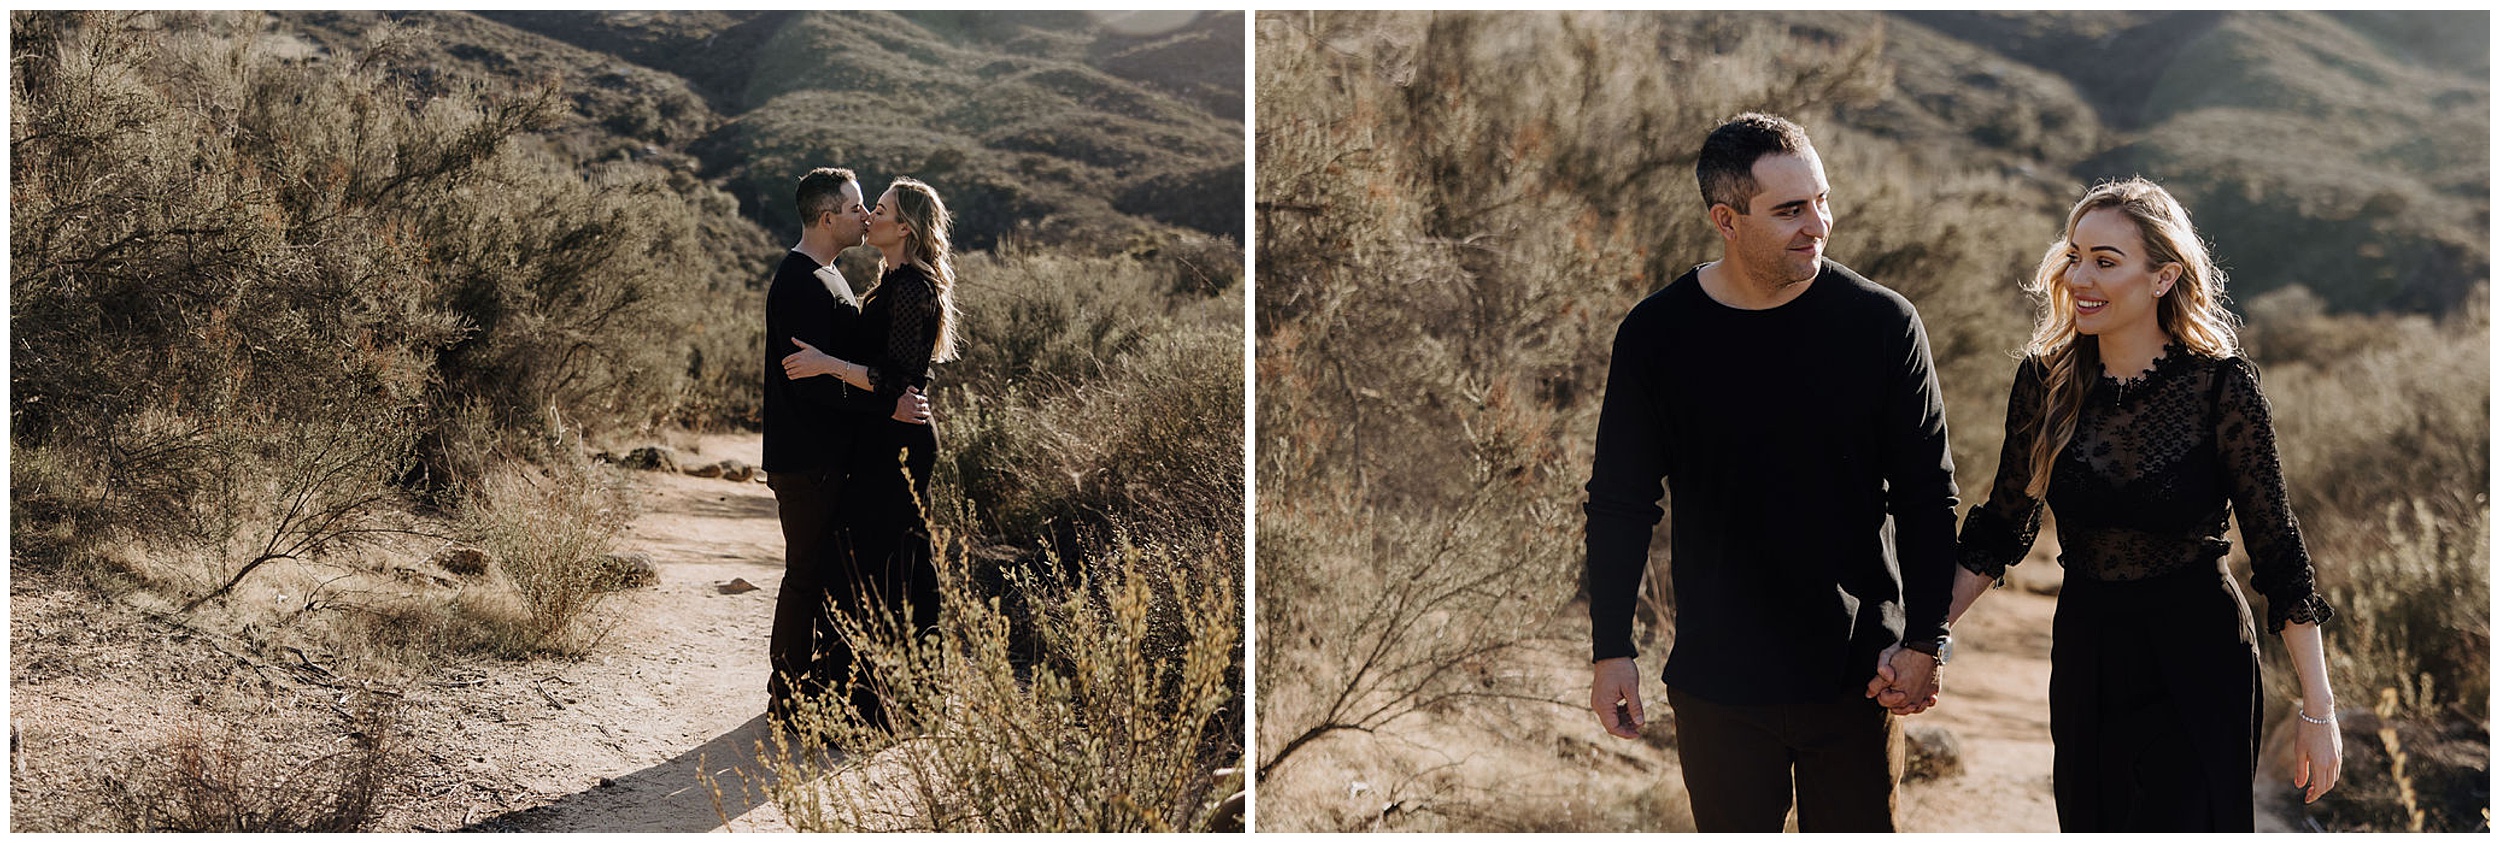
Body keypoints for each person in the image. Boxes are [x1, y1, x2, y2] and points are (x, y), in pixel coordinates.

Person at [1581, 113, 1960, 832]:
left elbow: (1927, 494)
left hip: (1859, 676)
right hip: (1718, 681)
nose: (1817, 224)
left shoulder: (1883, 325)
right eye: (1790, 210)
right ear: (1726, 219)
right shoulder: (1657, 336)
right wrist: (1611, 649)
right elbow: (1621, 502)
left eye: (1821, 201)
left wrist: (1926, 641)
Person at [1948, 177, 2341, 830]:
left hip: (2199, 654)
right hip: (2087, 652)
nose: (2081, 277)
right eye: (2075, 256)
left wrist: (2318, 709)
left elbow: (2279, 553)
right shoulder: (2045, 381)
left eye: (2106, 261)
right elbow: (2000, 527)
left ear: (2163, 277)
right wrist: (1927, 638)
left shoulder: (2221, 388)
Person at [781, 176, 961, 730]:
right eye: (863, 207)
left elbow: (898, 379)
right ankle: (864, 695)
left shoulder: (911, 287)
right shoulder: (893, 281)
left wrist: (827, 364)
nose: (867, 216)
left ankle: (881, 703)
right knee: (872, 565)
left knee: (883, 565)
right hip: (883, 435)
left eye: (876, 209)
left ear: (902, 226)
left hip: (899, 441)